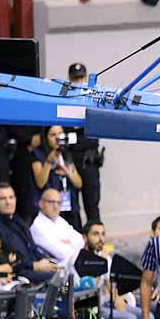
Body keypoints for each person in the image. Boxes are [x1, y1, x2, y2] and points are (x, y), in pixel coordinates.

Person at [0, 182, 62, 283]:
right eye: (3, 199)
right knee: (55, 278)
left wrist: (45, 261)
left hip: (33, 267)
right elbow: (7, 260)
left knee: (62, 272)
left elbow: (33, 247)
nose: (8, 202)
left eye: (11, 197)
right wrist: (34, 265)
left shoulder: (19, 220)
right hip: (18, 273)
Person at [65, 63, 104, 225]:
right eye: (75, 78)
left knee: (92, 205)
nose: (78, 81)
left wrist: (76, 136)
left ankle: (95, 241)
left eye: (81, 77)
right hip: (70, 160)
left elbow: (94, 136)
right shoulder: (64, 98)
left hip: (89, 161)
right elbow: (63, 135)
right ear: (69, 79)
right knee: (72, 207)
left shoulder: (93, 99)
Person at [84, 221, 143, 319]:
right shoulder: (81, 260)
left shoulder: (105, 257)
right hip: (93, 308)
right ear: (85, 237)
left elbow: (110, 282)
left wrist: (117, 299)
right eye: (95, 234)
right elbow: (90, 288)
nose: (101, 238)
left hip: (108, 303)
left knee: (147, 316)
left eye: (103, 234)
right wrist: (100, 265)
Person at [31, 125, 84, 230]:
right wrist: (49, 162)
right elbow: (40, 182)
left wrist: (67, 172)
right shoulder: (37, 154)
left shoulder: (66, 154)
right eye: (53, 135)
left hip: (69, 206)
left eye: (60, 134)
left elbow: (79, 183)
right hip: (50, 206)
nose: (57, 138)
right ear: (46, 137)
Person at [30, 187, 86, 272]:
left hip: (73, 263)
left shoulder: (59, 220)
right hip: (58, 270)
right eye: (51, 202)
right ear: (41, 203)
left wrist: (68, 243)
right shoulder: (37, 225)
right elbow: (62, 253)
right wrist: (71, 242)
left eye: (59, 203)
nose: (55, 206)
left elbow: (81, 240)